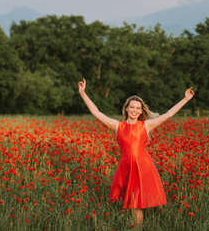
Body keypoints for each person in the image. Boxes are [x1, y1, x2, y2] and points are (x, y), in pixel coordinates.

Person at [78, 78, 195, 229]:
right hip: (126, 168)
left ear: (141, 111)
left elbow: (168, 114)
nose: (134, 110)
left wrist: (185, 99)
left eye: (138, 108)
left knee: (148, 200)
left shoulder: (145, 125)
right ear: (126, 109)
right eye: (132, 107)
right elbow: (96, 112)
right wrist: (83, 93)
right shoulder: (117, 126)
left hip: (143, 167)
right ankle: (138, 228)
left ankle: (169, 222)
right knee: (135, 203)